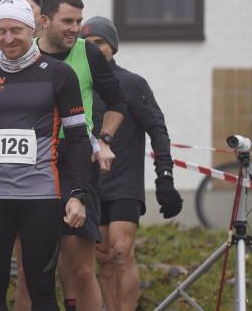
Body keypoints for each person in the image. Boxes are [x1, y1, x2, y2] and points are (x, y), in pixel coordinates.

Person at [0, 0, 90, 311]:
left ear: (31, 30)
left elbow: (79, 139)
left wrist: (78, 193)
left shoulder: (58, 74)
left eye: (16, 30)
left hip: (40, 195)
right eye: (1, 31)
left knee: (41, 290)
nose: (8, 38)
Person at [13, 0, 128, 311]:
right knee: (28, 272)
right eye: (68, 21)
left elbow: (119, 102)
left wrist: (104, 139)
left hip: (75, 163)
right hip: (28, 165)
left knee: (80, 271)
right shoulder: (22, 55)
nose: (76, 28)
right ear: (45, 20)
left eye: (78, 20)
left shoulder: (88, 54)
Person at [78, 17, 182, 311]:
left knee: (121, 250)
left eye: (99, 42)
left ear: (112, 46)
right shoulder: (78, 84)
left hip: (125, 181)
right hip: (91, 182)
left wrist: (165, 177)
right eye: (87, 44)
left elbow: (157, 129)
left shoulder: (131, 83)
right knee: (102, 256)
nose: (94, 49)